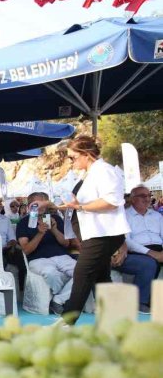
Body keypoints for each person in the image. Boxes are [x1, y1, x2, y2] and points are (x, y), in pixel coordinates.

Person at [47, 135, 130, 323]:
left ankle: (67, 321)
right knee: (101, 276)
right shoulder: (90, 173)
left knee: (82, 273)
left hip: (104, 234)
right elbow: (84, 202)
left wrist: (81, 207)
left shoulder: (105, 171)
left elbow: (111, 201)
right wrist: (66, 205)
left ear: (86, 154)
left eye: (73, 157)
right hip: (96, 233)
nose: (71, 161)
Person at [17, 192, 76, 314]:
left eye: (43, 204)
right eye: (37, 204)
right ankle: (65, 298)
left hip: (61, 256)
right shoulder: (23, 222)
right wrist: (40, 233)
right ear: (30, 206)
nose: (41, 207)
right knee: (51, 274)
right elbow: (26, 250)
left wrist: (53, 229)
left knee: (82, 272)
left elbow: (66, 244)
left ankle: (57, 300)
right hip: (38, 259)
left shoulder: (56, 219)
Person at [113, 185, 162, 313]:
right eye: (143, 196)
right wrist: (152, 253)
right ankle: (140, 302)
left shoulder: (157, 216)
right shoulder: (124, 216)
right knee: (149, 263)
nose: (147, 199)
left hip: (159, 248)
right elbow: (127, 241)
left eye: (149, 196)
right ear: (133, 199)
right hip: (136, 251)